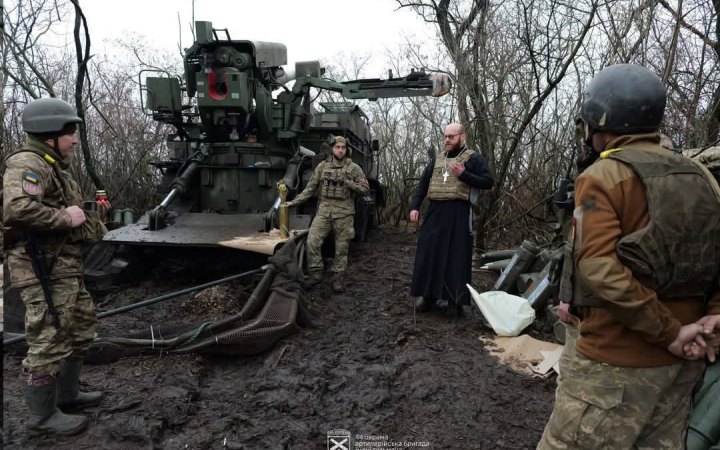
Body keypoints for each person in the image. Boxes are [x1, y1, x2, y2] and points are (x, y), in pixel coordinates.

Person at [537, 64, 720, 450]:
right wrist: (712, 318)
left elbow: (599, 269)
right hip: (681, 368)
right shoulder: (701, 175)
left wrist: (669, 333)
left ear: (598, 124)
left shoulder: (604, 176)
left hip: (614, 365)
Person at [3, 98, 108, 435]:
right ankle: (43, 417)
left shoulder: (51, 165)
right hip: (41, 269)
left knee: (80, 328)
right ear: (51, 134)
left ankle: (69, 395)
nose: (75, 140)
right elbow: (16, 209)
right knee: (48, 337)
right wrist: (66, 216)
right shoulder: (27, 163)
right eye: (70, 133)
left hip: (64, 266)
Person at [409, 123, 494, 317]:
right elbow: (423, 184)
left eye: (451, 137)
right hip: (435, 212)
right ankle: (427, 296)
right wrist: (414, 206)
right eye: (445, 136)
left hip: (459, 212)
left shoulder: (473, 158)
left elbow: (488, 181)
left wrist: (464, 174)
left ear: (462, 137)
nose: (447, 140)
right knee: (428, 253)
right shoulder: (437, 159)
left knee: (456, 257)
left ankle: (454, 301)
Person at [285, 135, 369, 293]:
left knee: (341, 249)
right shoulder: (322, 167)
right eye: (337, 147)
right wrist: (294, 202)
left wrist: (350, 183)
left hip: (344, 214)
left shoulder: (354, 168)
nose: (340, 150)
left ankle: (338, 279)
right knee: (312, 241)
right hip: (324, 212)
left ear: (346, 150)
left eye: (343, 148)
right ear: (332, 149)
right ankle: (316, 274)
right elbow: (310, 189)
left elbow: (365, 190)